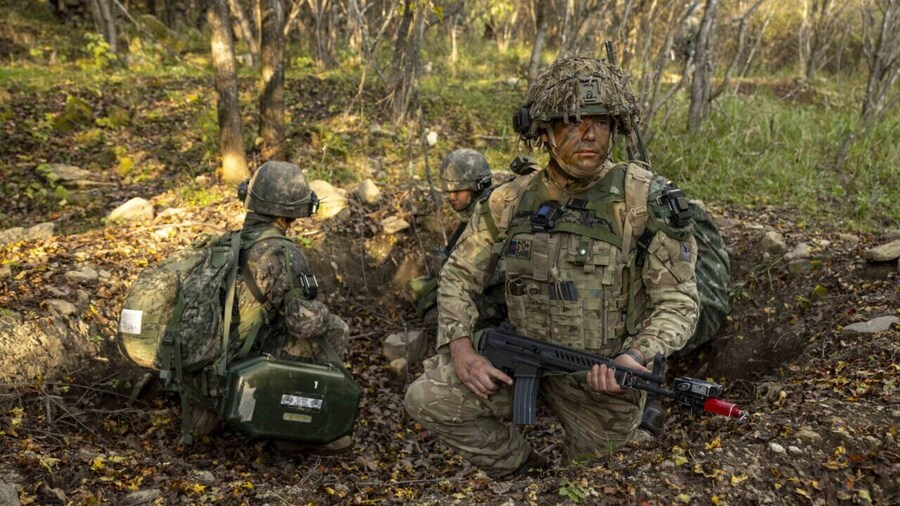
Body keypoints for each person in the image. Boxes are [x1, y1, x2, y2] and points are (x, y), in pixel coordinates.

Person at [404, 56, 700, 478]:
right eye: (574, 121)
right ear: (545, 131)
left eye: (601, 122)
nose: (589, 133)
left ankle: (626, 438)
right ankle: (524, 471)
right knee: (427, 397)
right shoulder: (508, 200)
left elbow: (680, 303)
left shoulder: (643, 202)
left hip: (600, 377)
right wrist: (462, 349)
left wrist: (637, 355)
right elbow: (458, 276)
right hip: (519, 358)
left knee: (592, 479)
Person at [187, 160, 353, 455]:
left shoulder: (226, 243)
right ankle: (295, 430)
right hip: (241, 360)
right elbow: (303, 324)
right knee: (335, 329)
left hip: (209, 359)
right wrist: (324, 313)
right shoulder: (283, 252)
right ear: (289, 210)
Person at [411, 149, 507, 331]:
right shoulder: (473, 212)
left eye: (458, 191)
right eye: (448, 191)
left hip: (501, 300)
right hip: (478, 288)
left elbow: (501, 270)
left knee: (435, 319)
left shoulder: (495, 214)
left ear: (477, 186)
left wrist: (456, 268)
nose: (451, 197)